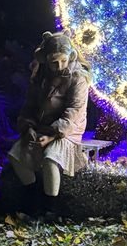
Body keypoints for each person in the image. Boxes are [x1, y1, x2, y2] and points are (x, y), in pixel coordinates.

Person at [8, 31, 89, 212]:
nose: (58, 66)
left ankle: (51, 206)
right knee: (16, 154)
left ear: (70, 56)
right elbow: (30, 105)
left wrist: (52, 136)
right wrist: (28, 126)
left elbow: (74, 112)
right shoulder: (40, 76)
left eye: (62, 60)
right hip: (40, 127)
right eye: (54, 62)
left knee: (51, 158)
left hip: (66, 130)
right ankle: (32, 196)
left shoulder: (78, 79)